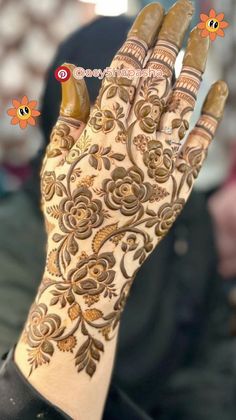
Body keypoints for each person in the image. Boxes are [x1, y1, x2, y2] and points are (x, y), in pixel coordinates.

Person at [0, 1, 234, 419]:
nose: (117, 153)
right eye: (98, 120)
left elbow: (211, 353)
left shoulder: (179, 209)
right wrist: (89, 253)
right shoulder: (12, 237)